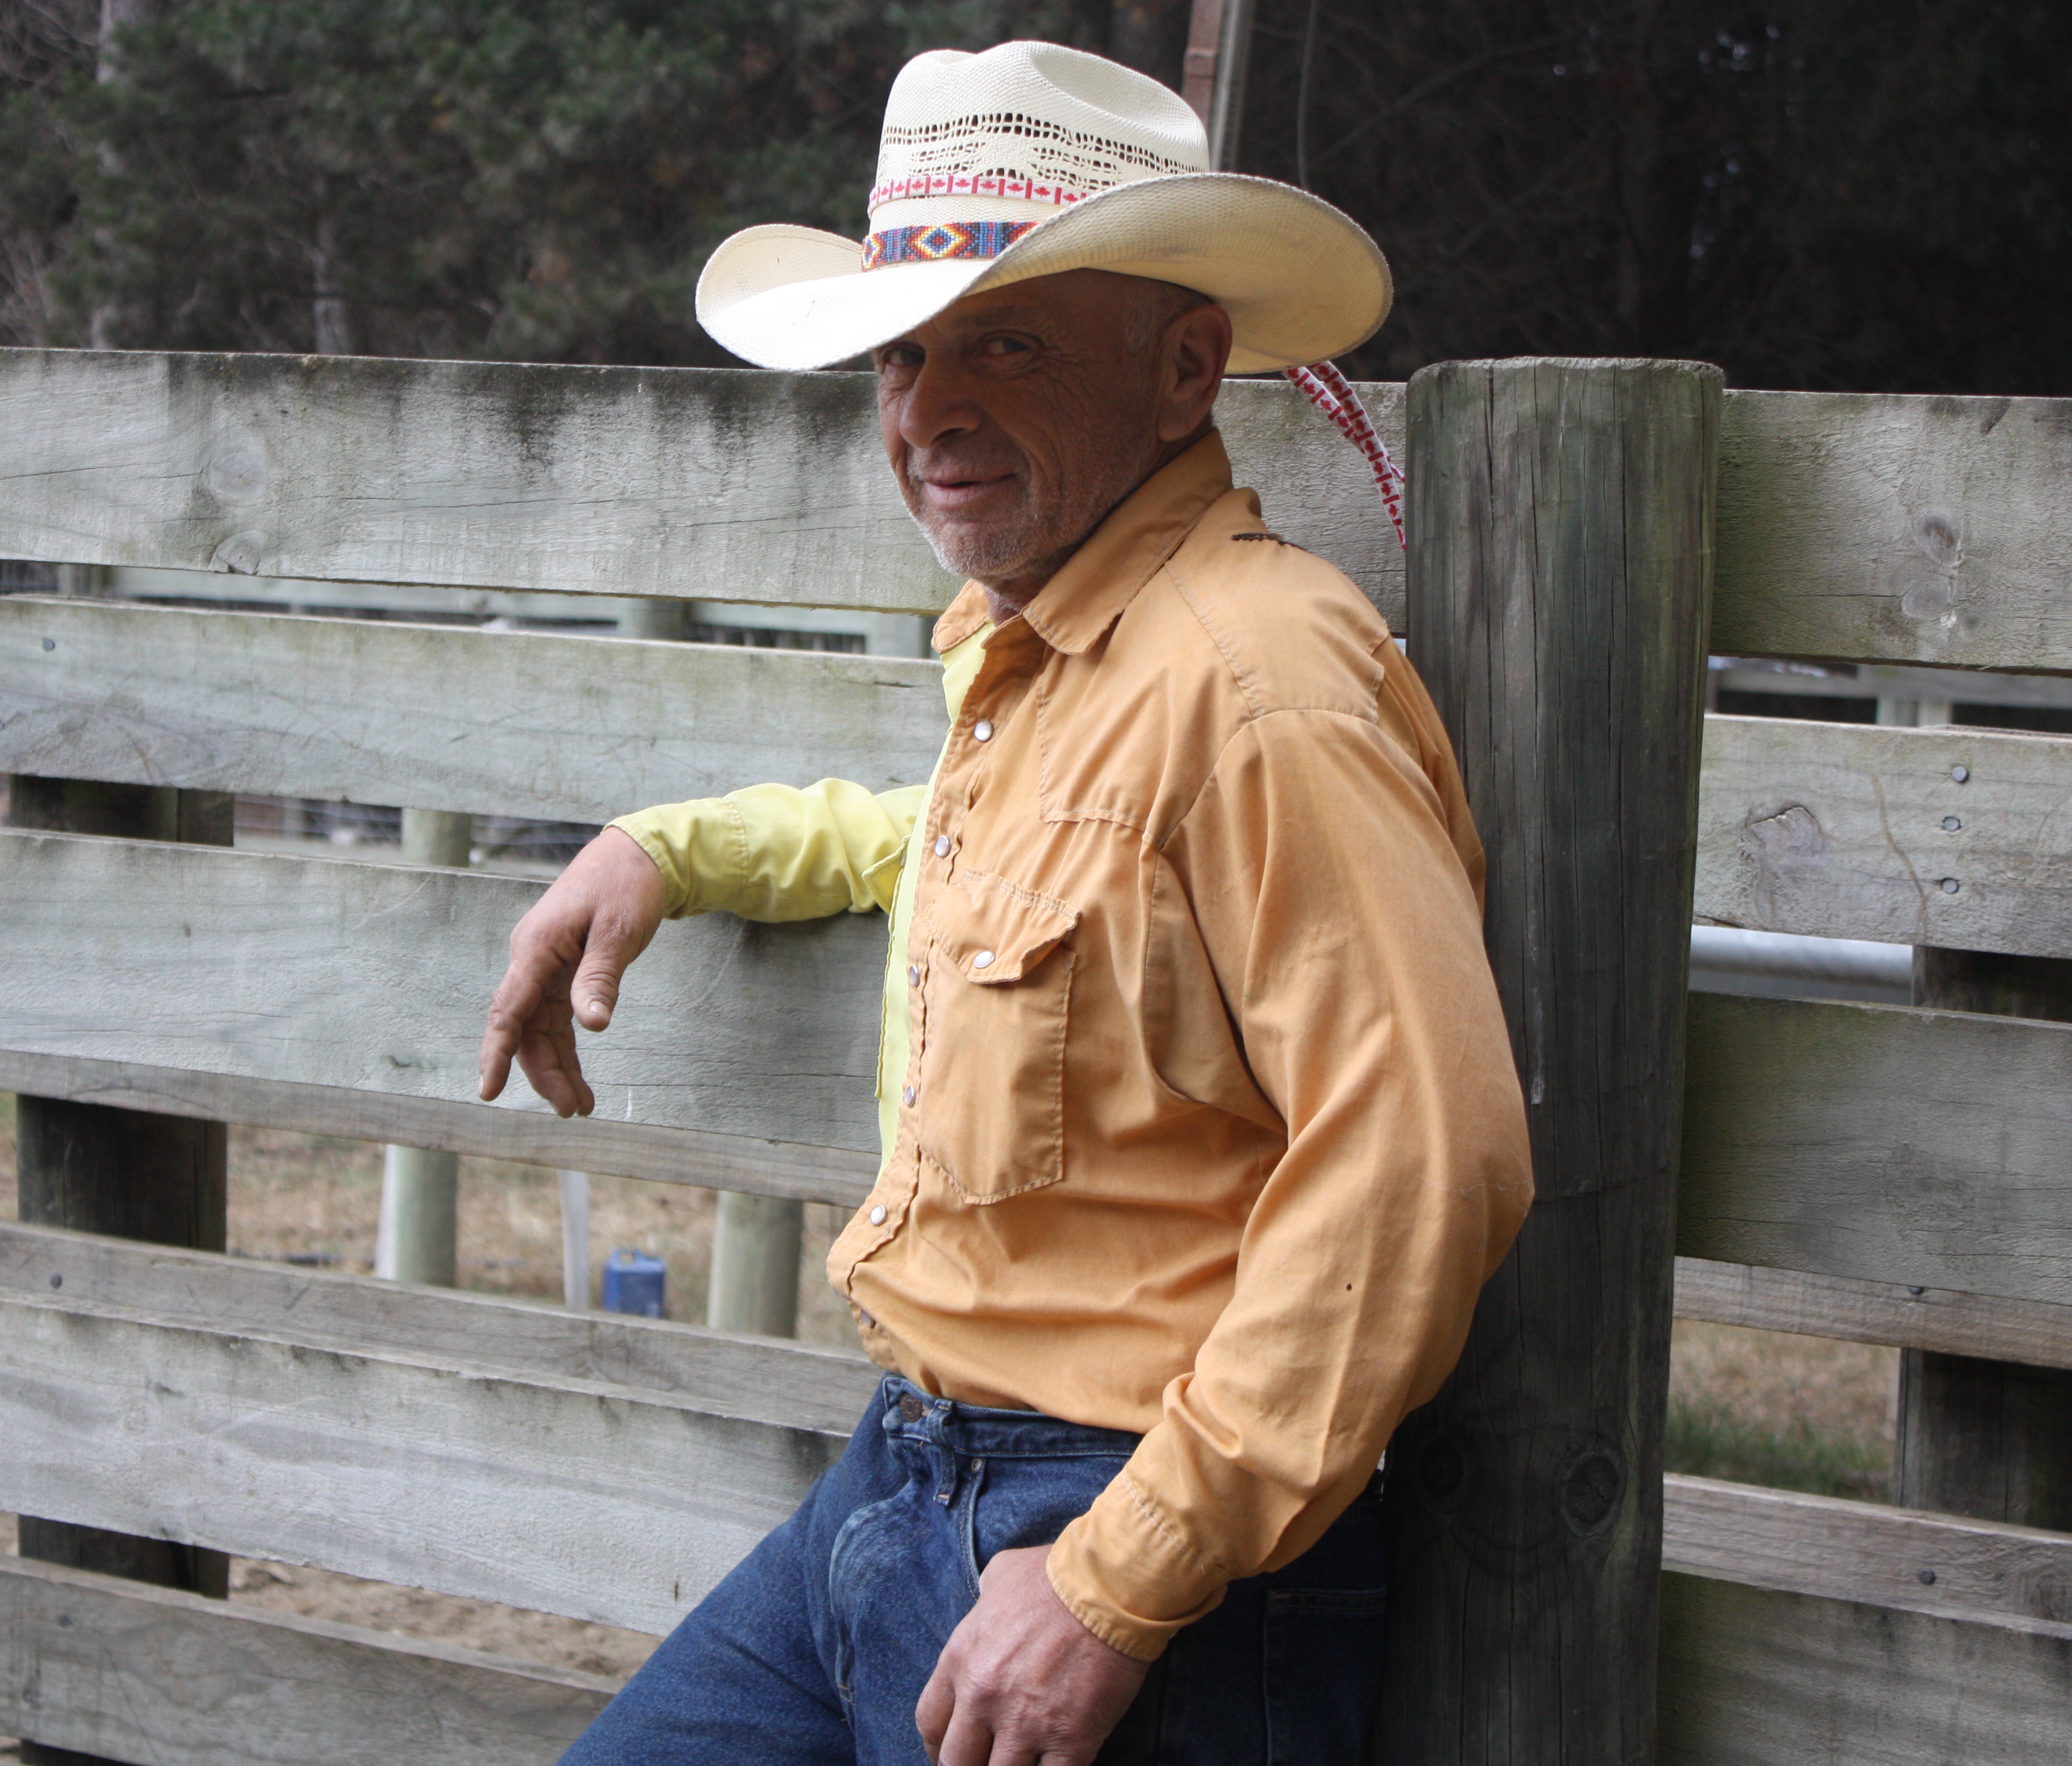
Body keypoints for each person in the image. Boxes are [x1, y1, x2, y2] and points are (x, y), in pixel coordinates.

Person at [477, 40, 1532, 1766]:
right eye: (903, 352)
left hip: (1119, 1547)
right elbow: (989, 861)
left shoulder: (1254, 680)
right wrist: (667, 848)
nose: (926, 410)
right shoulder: (1058, 659)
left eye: (1007, 342)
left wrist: (1124, 1579)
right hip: (911, 1481)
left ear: (1187, 369)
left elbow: (1426, 1155)